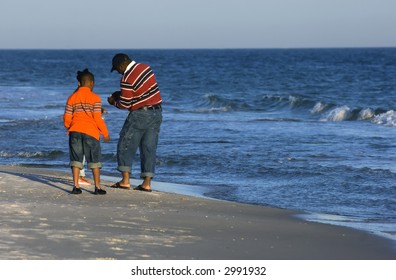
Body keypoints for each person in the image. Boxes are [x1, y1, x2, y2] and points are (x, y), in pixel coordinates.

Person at [108, 53, 162, 192]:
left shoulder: (126, 78)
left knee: (125, 144)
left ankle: (125, 181)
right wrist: (121, 94)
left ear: (121, 65)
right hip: (156, 112)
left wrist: (113, 101)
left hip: (139, 114)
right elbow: (141, 92)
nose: (118, 72)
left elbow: (125, 104)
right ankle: (147, 183)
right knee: (149, 148)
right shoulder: (145, 68)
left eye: (117, 69)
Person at [64, 69, 110, 194]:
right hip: (91, 132)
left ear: (80, 83)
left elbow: (67, 118)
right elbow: (97, 118)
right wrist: (105, 133)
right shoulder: (95, 97)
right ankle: (97, 187)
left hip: (75, 131)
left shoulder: (72, 97)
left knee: (76, 160)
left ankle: (76, 186)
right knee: (94, 160)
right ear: (91, 83)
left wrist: (70, 127)